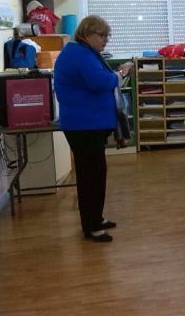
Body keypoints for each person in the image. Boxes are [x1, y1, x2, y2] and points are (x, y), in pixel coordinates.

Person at [54, 15, 132, 242]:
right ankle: (92, 226)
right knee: (91, 177)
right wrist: (120, 74)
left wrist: (113, 75)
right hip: (83, 126)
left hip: (87, 124)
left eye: (107, 35)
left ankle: (95, 218)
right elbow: (100, 82)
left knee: (95, 175)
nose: (106, 40)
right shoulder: (79, 54)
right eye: (102, 35)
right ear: (87, 34)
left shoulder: (82, 52)